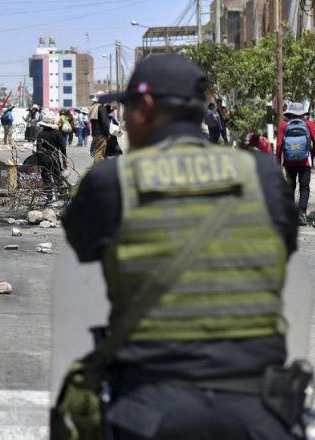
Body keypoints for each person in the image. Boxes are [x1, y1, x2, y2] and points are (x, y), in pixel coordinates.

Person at [59, 54, 299, 440]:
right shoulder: (263, 174)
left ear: (147, 108)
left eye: (127, 109)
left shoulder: (112, 181)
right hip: (258, 411)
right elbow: (284, 250)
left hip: (149, 409)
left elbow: (82, 246)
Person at [276, 102, 315, 225]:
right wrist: (311, 152)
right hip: (305, 162)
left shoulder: (284, 125)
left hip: (289, 162)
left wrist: (278, 161)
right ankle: (302, 213)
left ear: (290, 113)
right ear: (302, 113)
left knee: (290, 187)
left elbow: (278, 145)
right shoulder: (308, 123)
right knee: (304, 187)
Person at [36, 113, 67, 208]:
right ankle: (62, 197)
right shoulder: (57, 133)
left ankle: (49, 199)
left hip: (44, 159)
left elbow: (38, 150)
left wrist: (38, 163)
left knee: (46, 179)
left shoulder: (40, 134)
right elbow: (63, 148)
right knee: (58, 177)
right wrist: (64, 160)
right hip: (55, 158)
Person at [89, 92, 110, 162]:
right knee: (100, 153)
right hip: (101, 134)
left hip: (95, 133)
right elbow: (105, 122)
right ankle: (97, 170)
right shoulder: (101, 107)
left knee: (98, 152)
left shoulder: (93, 107)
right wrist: (108, 133)